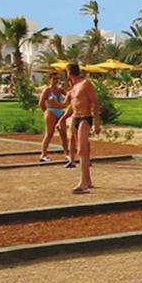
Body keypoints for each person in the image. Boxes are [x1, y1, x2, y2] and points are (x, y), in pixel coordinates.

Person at [61, 63, 100, 194]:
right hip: (75, 118)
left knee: (82, 150)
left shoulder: (85, 84)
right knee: (80, 150)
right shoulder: (73, 88)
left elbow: (94, 102)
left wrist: (96, 122)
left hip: (85, 118)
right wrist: (62, 119)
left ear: (69, 73)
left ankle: (83, 182)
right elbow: (71, 105)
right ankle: (88, 180)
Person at [38, 72, 69, 162]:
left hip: (60, 112)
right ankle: (43, 154)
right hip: (51, 111)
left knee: (63, 133)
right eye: (54, 79)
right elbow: (41, 103)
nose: (56, 81)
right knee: (49, 133)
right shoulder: (47, 90)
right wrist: (46, 112)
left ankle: (67, 153)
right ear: (50, 79)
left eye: (57, 79)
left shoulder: (60, 90)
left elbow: (68, 95)